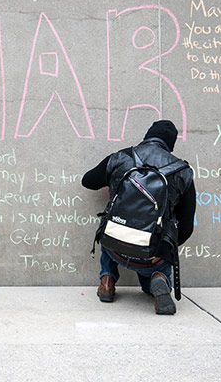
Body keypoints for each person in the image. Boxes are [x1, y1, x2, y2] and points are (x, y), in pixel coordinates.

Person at [81, 120, 196, 315]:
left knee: (110, 222)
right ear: (171, 144)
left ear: (147, 136)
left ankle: (107, 280)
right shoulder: (182, 171)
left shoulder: (121, 157)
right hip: (151, 255)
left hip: (115, 245)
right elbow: (186, 227)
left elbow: (88, 181)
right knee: (160, 254)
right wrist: (162, 252)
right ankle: (159, 279)